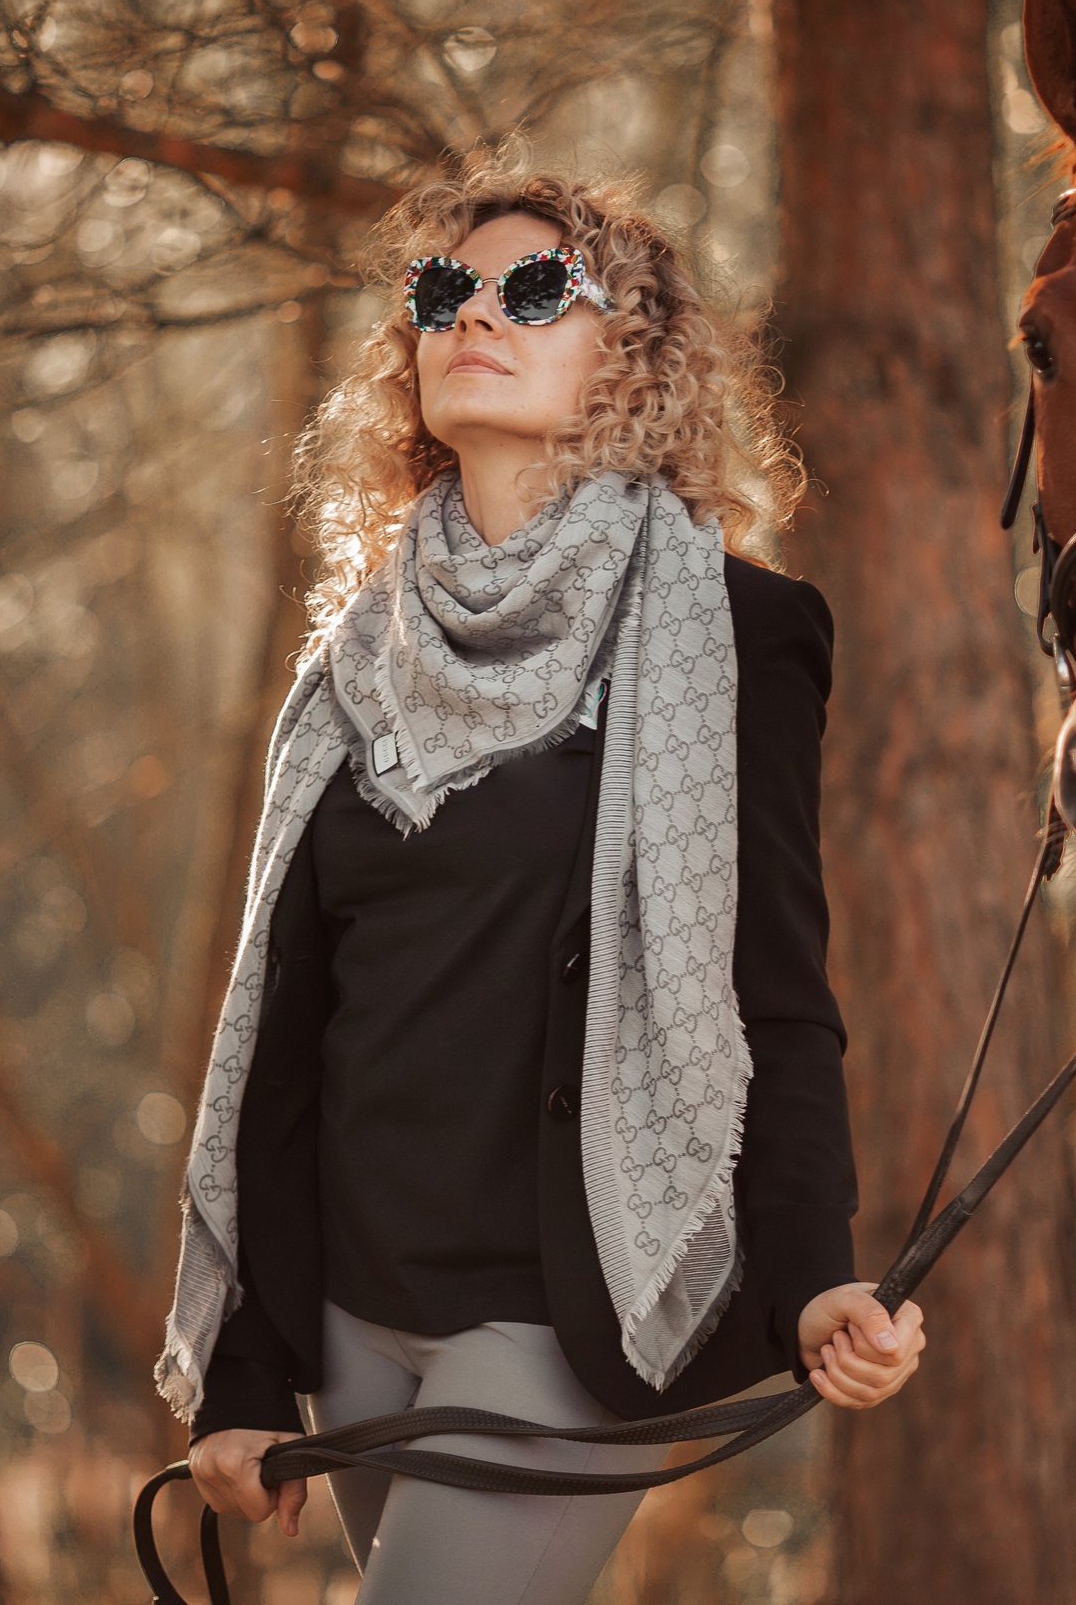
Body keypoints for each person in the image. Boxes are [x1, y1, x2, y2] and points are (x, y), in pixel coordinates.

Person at [154, 167, 921, 1605]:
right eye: (443, 293)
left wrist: (817, 1267)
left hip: (564, 1316)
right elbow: (281, 1041)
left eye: (533, 291)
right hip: (354, 1321)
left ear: (625, 346)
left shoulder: (737, 635)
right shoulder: (351, 658)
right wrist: (246, 1363)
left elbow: (778, 995)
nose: (475, 318)